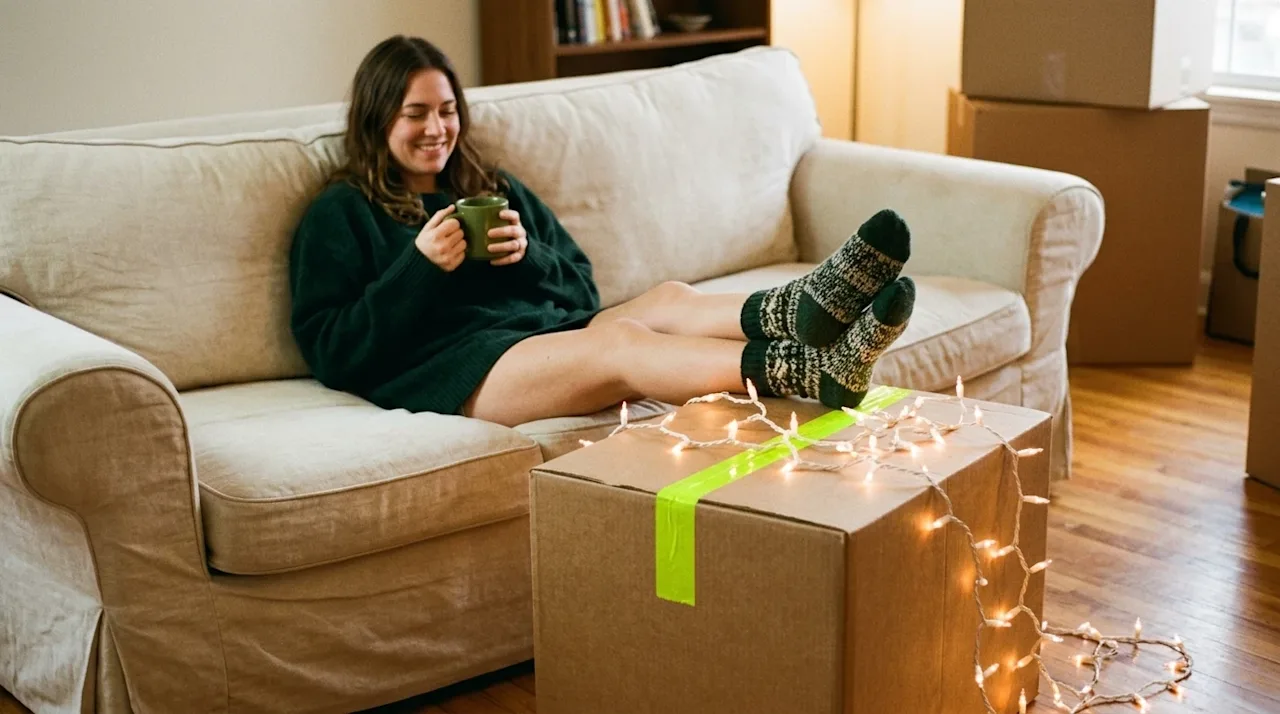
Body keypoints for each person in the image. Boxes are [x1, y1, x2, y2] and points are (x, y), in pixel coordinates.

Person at [288, 35, 916, 428]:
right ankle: (800, 367)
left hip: (543, 337)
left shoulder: (489, 186)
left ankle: (806, 309)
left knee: (669, 297)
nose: (436, 129)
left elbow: (582, 292)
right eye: (415, 114)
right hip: (457, 372)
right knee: (622, 348)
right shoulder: (342, 211)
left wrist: (528, 257)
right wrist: (418, 268)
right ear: (378, 120)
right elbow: (333, 352)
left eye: (447, 111)